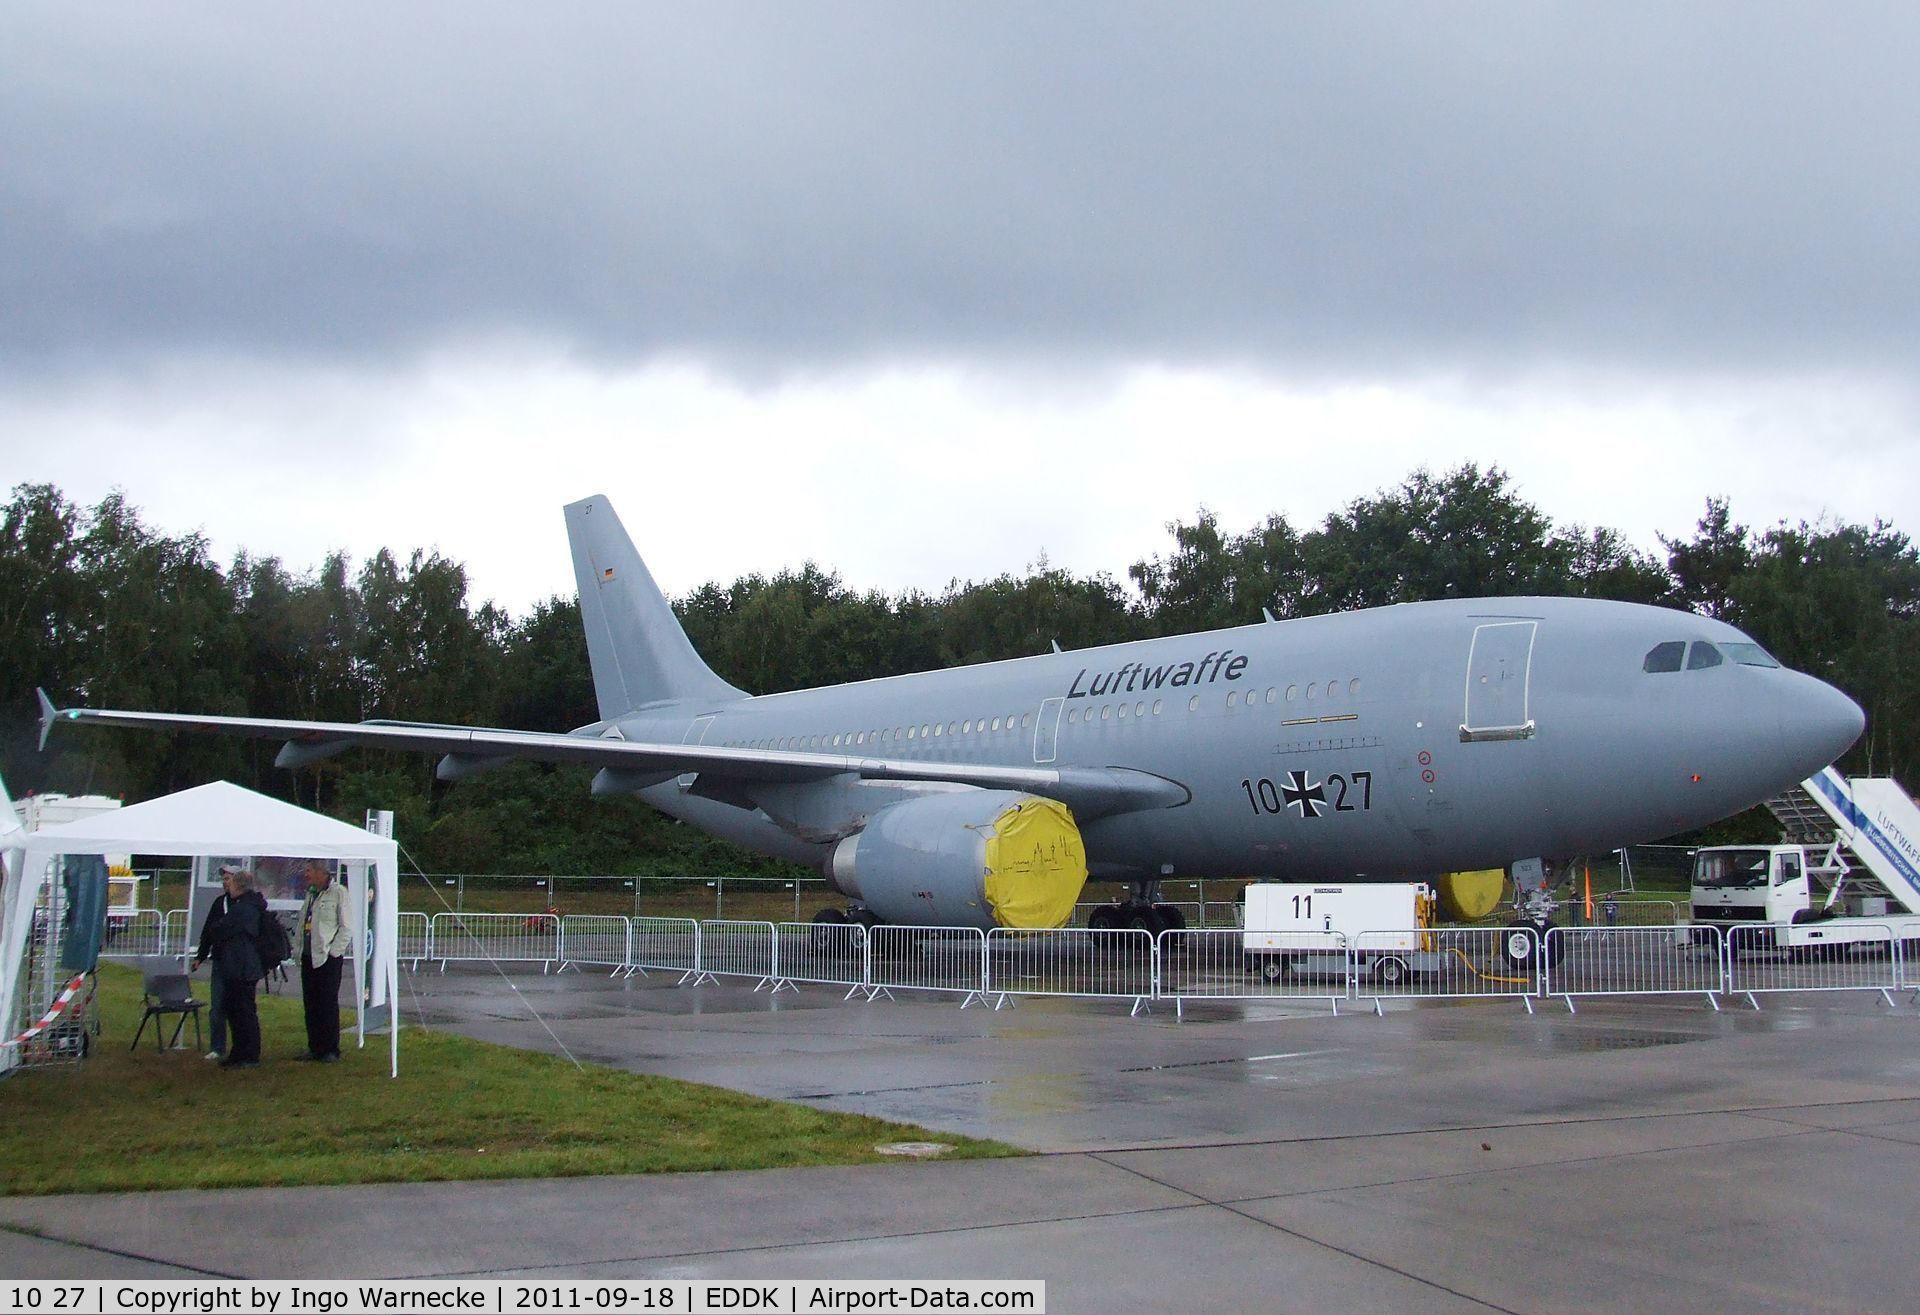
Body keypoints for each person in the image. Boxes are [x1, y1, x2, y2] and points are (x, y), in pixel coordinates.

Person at [208, 867, 267, 1069]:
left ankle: (248, 1054)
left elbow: (220, 929)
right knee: (237, 1011)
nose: (228, 887)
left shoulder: (243, 908)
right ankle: (240, 1052)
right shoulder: (251, 905)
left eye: (231, 883)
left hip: (242, 967)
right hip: (241, 965)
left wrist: (219, 927)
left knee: (244, 1012)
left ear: (239, 886)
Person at [297, 859, 351, 1062]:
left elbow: (346, 927)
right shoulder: (311, 894)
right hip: (309, 955)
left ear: (322, 873)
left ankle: (330, 1048)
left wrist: (334, 952)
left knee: (327, 1003)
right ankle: (315, 1046)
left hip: (327, 958)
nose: (306, 875)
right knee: (311, 1003)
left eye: (309, 871)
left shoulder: (338, 893)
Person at [191, 864, 239, 1060]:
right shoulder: (220, 903)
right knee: (217, 1006)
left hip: (238, 963)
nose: (224, 882)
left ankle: (241, 1045)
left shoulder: (245, 903)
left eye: (228, 878)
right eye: (224, 878)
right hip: (220, 960)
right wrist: (200, 956)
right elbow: (208, 931)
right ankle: (217, 1046)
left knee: (238, 1006)